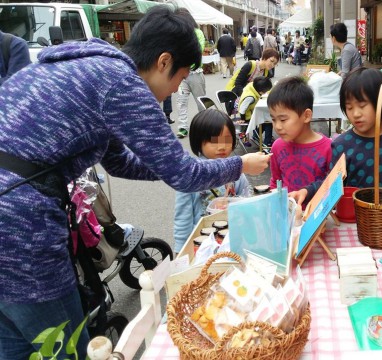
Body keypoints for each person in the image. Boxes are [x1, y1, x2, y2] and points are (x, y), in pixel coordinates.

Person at [0, 7, 270, 360]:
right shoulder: (121, 83)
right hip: (19, 226)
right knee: (62, 346)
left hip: (11, 213)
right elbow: (184, 176)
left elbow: (118, 161)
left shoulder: (87, 67)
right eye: (181, 77)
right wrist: (239, 165)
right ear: (163, 61)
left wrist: (172, 165)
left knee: (14, 344)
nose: (177, 87)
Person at [290, 68, 382, 207]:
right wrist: (307, 191)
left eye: (362, 105)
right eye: (349, 107)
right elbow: (332, 184)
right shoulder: (342, 145)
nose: (355, 114)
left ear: (381, 102)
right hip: (354, 219)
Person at [173, 109, 250, 253]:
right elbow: (183, 217)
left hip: (233, 240)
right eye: (214, 141)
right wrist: (181, 250)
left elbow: (247, 202)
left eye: (227, 140)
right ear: (198, 142)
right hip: (202, 245)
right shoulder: (192, 175)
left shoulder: (237, 172)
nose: (222, 146)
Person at [267, 76, 332, 194]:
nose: (277, 126)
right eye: (273, 119)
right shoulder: (277, 146)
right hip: (288, 210)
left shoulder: (329, 148)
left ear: (306, 116)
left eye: (283, 120)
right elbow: (276, 182)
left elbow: (333, 185)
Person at [226, 48, 279, 145]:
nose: (272, 65)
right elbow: (238, 84)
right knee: (255, 113)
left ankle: (257, 134)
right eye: (271, 61)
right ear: (264, 57)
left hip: (251, 98)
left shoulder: (265, 72)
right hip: (235, 97)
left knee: (264, 112)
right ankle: (246, 135)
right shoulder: (251, 65)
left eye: (275, 64)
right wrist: (246, 97)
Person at [176, 10, 206, 139]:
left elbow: (198, 50)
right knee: (181, 102)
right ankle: (182, 127)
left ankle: (205, 126)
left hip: (195, 73)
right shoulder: (176, 34)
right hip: (181, 75)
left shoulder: (197, 33)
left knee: (201, 102)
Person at [238, 76, 273, 146]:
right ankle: (267, 143)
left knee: (265, 120)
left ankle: (256, 136)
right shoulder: (250, 97)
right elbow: (242, 108)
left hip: (251, 111)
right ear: (260, 91)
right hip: (247, 115)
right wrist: (243, 119)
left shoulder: (252, 85)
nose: (266, 92)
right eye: (265, 91)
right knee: (267, 121)